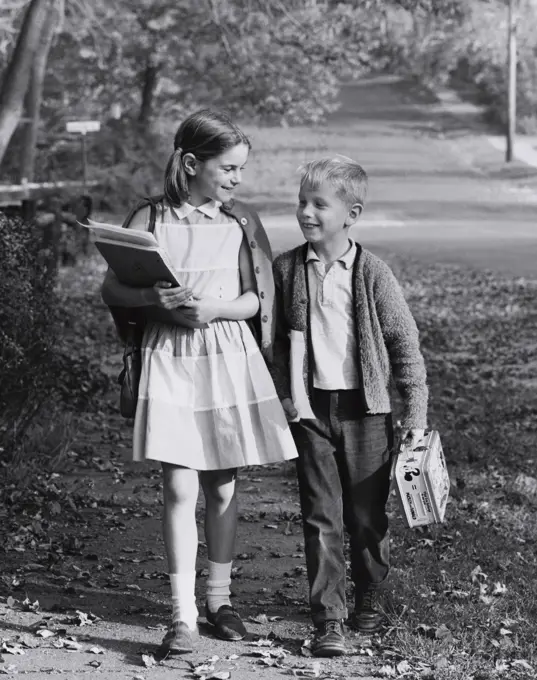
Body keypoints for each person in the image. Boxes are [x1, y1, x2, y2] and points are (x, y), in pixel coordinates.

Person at [101, 109, 298, 655]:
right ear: (191, 163)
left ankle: (220, 599)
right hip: (169, 358)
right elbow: (112, 289)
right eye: (228, 168)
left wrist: (212, 308)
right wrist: (151, 301)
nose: (237, 179)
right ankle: (182, 615)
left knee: (221, 484)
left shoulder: (241, 223)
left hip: (226, 358)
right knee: (178, 484)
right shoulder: (149, 218)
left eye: (241, 169)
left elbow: (256, 299)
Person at [271, 156, 428, 657]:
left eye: (320, 204)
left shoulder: (373, 274)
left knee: (364, 516)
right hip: (311, 410)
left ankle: (370, 596)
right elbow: (274, 341)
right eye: (302, 202)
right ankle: (328, 618)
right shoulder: (287, 268)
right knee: (321, 515)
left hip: (367, 412)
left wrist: (415, 411)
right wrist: (285, 394)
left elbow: (405, 346)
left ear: (351, 214)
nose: (306, 212)